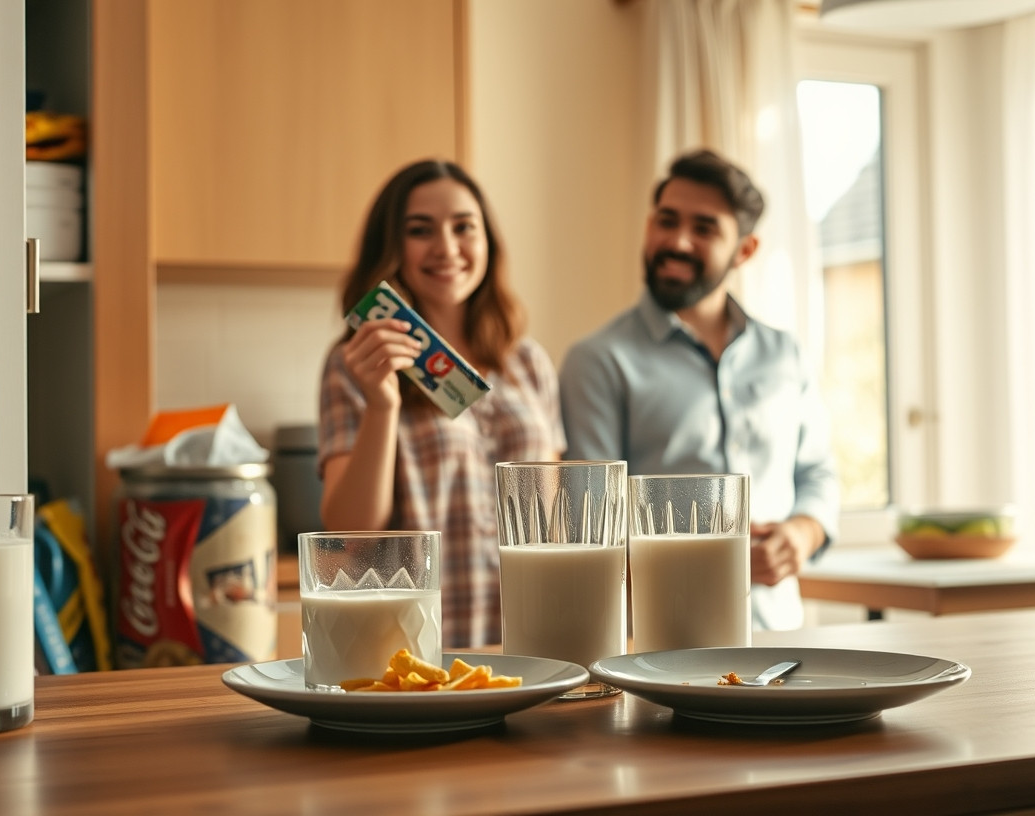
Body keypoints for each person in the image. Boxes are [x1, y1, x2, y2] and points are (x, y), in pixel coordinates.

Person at [559, 149, 839, 631]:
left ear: (745, 250)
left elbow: (817, 474)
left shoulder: (784, 354)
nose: (678, 241)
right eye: (666, 221)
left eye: (705, 228)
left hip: (779, 634)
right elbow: (590, 525)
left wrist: (800, 534)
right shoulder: (598, 361)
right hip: (660, 642)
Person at [317, 159, 564, 649]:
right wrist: (382, 406)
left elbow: (553, 523)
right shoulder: (354, 363)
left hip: (531, 642)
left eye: (463, 227)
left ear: (488, 240)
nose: (446, 248)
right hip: (415, 647)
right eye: (419, 230)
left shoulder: (528, 361)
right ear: (392, 247)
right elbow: (349, 534)